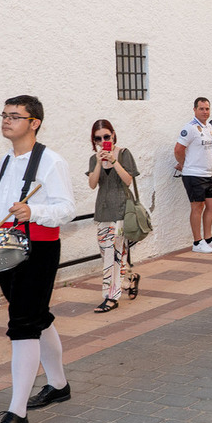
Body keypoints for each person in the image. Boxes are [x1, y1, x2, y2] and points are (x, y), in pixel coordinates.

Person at [0, 95, 77, 423]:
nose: (6, 120)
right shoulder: (6, 159)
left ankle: (16, 412)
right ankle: (58, 384)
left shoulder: (51, 161)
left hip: (37, 247)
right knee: (36, 316)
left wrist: (34, 212)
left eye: (14, 116)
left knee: (22, 323)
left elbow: (66, 207)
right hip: (5, 246)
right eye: (4, 114)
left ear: (34, 122)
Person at [86, 119, 139, 313]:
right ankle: (129, 280)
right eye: (98, 138)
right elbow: (92, 184)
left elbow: (128, 180)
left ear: (113, 135)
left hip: (122, 210)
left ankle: (110, 297)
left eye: (106, 137)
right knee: (108, 254)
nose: (102, 141)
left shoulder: (124, 154)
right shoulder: (94, 159)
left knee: (114, 253)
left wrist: (114, 161)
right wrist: (100, 163)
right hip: (103, 211)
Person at [174, 97, 212, 253]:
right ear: (195, 110)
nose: (205, 112)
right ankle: (197, 242)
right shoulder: (189, 128)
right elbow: (178, 149)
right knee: (197, 206)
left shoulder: (209, 127)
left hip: (207, 173)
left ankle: (208, 238)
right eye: (201, 108)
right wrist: (184, 165)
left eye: (207, 109)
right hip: (193, 174)